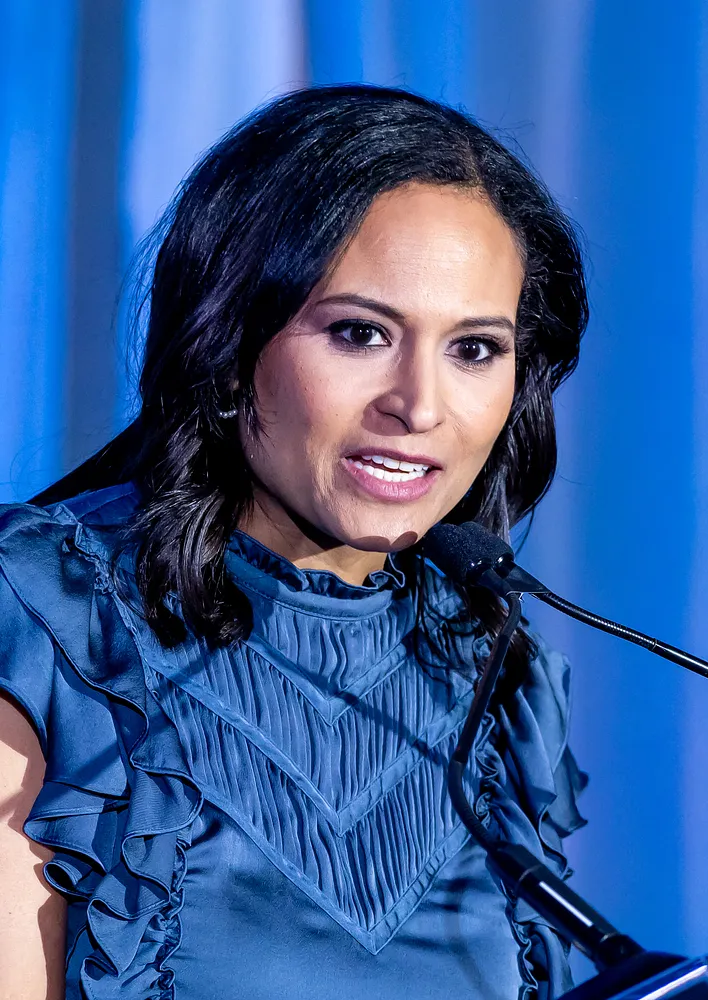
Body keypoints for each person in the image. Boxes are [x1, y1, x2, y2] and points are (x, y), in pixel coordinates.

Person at [0, 84, 588, 1000]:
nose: (419, 407)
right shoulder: (47, 616)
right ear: (229, 346)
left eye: (474, 349)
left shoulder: (498, 672)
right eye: (360, 333)